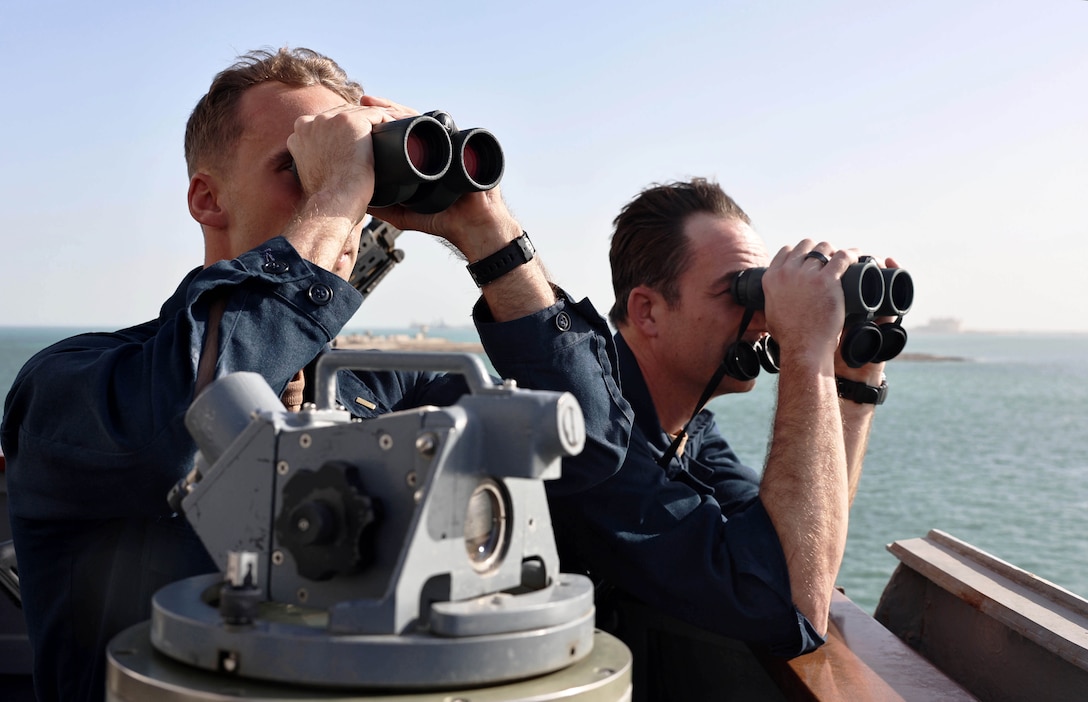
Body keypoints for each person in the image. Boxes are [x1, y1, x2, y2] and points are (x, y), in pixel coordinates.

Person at [0, 47, 629, 702]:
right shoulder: (71, 389)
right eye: (298, 169)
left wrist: (484, 225)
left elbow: (590, 454)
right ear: (207, 198)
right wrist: (332, 197)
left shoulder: (376, 395)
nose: (348, 199)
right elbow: (182, 427)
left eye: (356, 177)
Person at [541, 178, 894, 699]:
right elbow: (793, 606)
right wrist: (805, 351)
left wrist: (855, 380)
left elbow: (801, 554)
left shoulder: (691, 432)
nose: (764, 317)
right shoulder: (600, 442)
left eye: (762, 289)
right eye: (739, 291)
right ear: (648, 311)